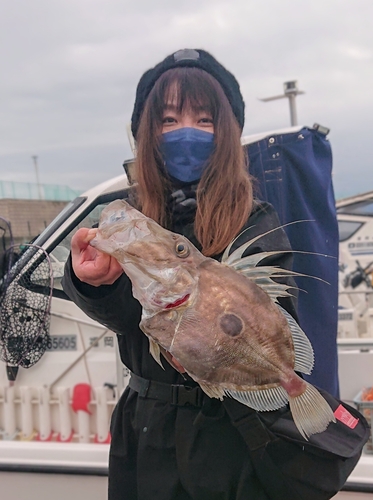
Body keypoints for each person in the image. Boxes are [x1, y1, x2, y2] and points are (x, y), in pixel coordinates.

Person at [62, 48, 298, 500]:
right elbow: (129, 319)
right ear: (146, 134)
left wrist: (211, 347)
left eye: (204, 120)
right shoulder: (129, 216)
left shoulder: (255, 218)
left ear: (227, 134)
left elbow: (277, 319)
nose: (185, 132)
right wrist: (95, 284)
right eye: (169, 120)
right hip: (145, 426)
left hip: (231, 430)